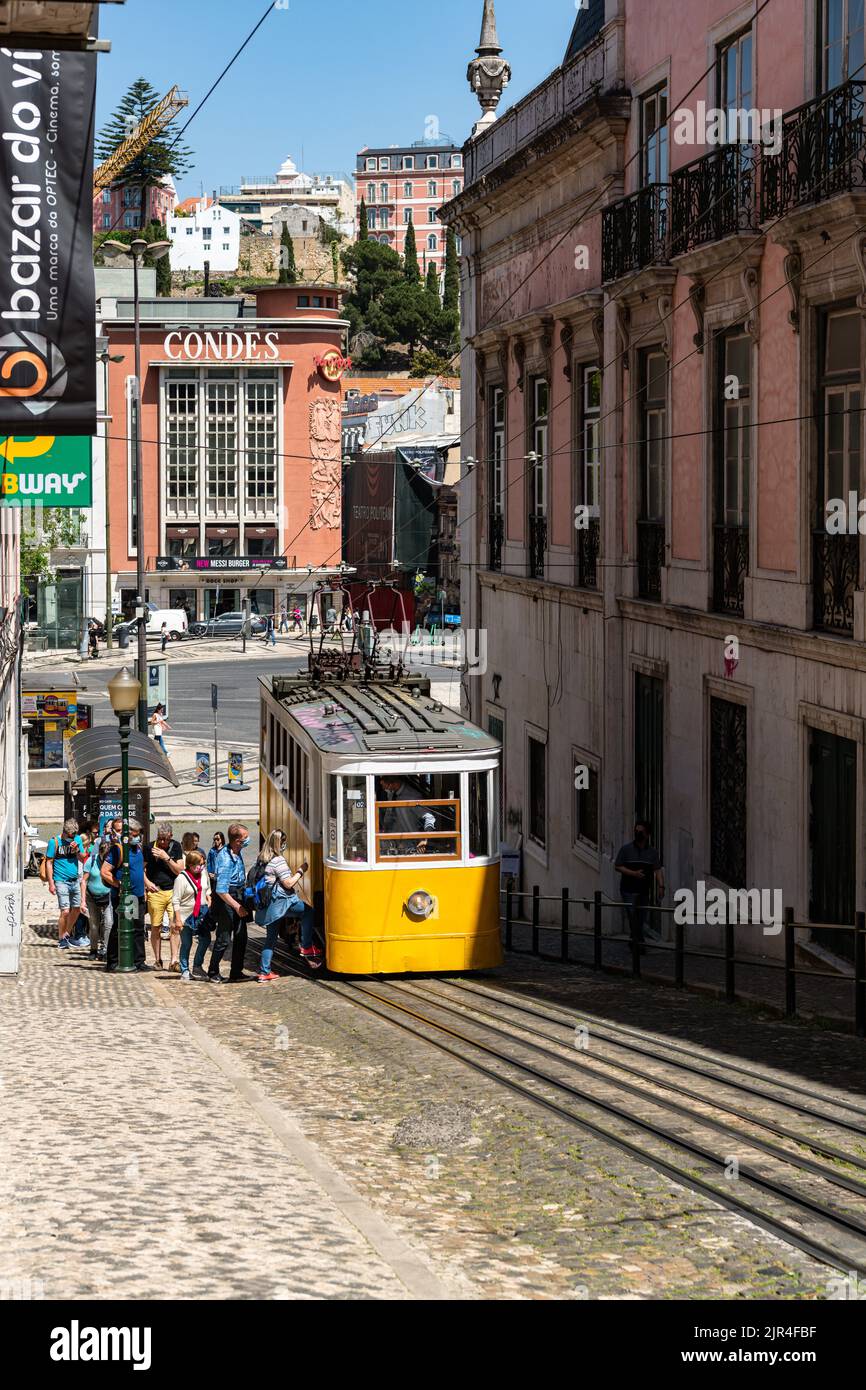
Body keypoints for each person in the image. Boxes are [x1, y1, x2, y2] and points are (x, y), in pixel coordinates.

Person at [254, 830, 317, 979]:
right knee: (308, 912)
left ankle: (264, 972)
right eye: (283, 842)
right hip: (281, 903)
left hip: (269, 903)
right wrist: (301, 870)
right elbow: (288, 883)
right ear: (278, 843)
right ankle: (307, 947)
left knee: (270, 938)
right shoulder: (278, 860)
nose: (284, 845)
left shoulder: (262, 858)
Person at [208, 821, 251, 983]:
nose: (248, 840)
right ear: (237, 841)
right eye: (245, 838)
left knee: (241, 937)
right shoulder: (225, 859)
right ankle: (213, 972)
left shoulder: (236, 851)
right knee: (224, 939)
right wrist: (237, 906)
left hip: (239, 895)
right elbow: (221, 890)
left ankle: (236, 972)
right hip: (228, 900)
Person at [104, 819, 149, 972]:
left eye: (139, 835)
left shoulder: (138, 849)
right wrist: (119, 885)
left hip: (138, 895)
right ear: (127, 835)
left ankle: (139, 961)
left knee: (138, 928)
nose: (138, 837)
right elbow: (105, 872)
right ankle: (113, 961)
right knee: (120, 928)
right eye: (135, 835)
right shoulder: (118, 850)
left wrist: (147, 886)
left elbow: (140, 871)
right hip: (125, 896)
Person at [614, 820, 665, 949]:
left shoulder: (653, 853)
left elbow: (657, 869)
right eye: (636, 831)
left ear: (648, 834)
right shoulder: (626, 849)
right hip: (628, 889)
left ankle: (635, 939)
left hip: (643, 890)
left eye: (641, 832)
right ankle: (639, 942)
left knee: (641, 917)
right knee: (632, 914)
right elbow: (618, 866)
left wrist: (661, 886)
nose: (638, 833)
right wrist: (633, 873)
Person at [144, 822, 184, 971]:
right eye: (159, 838)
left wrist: (166, 858)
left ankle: (174, 960)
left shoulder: (176, 847)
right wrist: (147, 883)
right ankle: (158, 959)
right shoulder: (149, 847)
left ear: (170, 837)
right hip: (156, 891)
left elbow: (180, 870)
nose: (161, 842)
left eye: (164, 839)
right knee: (156, 927)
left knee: (175, 927)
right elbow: (141, 869)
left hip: (173, 891)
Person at [46, 818, 86, 949]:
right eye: (70, 836)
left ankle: (67, 934)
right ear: (64, 832)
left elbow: (82, 858)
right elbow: (49, 863)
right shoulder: (54, 842)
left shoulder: (77, 839)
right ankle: (61, 937)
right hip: (60, 880)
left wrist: (77, 850)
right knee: (65, 911)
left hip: (75, 880)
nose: (72, 838)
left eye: (74, 835)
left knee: (76, 908)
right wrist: (51, 883)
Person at [173, 850, 212, 982]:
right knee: (187, 943)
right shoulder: (181, 878)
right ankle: (185, 969)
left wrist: (208, 899)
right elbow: (176, 900)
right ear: (190, 864)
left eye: (202, 864)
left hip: (202, 912)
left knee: (206, 939)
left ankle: (197, 965)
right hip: (186, 914)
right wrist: (178, 919)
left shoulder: (204, 873)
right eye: (199, 864)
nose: (201, 866)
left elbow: (207, 889)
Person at [83, 835, 113, 960]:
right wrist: (82, 901)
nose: (106, 859)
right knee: (94, 925)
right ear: (100, 853)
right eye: (104, 856)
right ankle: (93, 949)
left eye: (108, 857)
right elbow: (84, 881)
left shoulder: (112, 861)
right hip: (92, 896)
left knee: (109, 923)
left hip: (108, 895)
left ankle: (105, 949)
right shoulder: (92, 860)